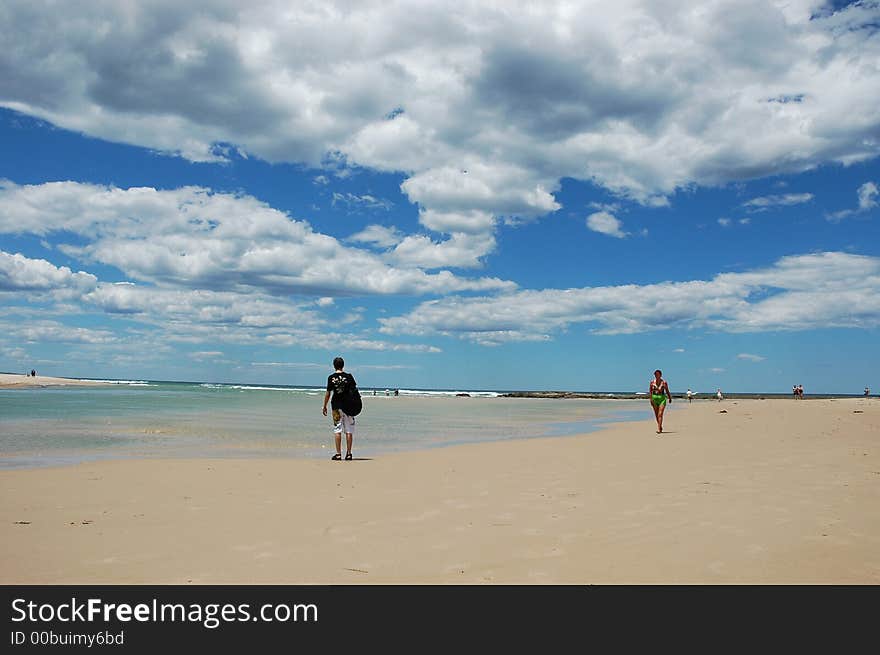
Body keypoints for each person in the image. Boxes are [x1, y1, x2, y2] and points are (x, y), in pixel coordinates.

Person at [322, 356, 357, 461]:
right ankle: (349, 454)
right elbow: (355, 392)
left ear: (334, 366)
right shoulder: (349, 377)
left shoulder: (331, 377)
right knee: (349, 430)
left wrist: (324, 406)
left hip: (336, 406)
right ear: (343, 365)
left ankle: (338, 454)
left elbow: (328, 393)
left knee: (337, 429)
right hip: (349, 407)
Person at [649, 369, 672, 434]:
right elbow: (650, 391)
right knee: (656, 414)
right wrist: (650, 399)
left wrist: (670, 398)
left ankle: (659, 429)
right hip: (654, 398)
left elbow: (667, 390)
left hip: (662, 398)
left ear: (661, 375)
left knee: (660, 414)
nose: (657, 376)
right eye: (656, 375)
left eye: (658, 375)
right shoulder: (652, 382)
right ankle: (660, 426)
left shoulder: (664, 383)